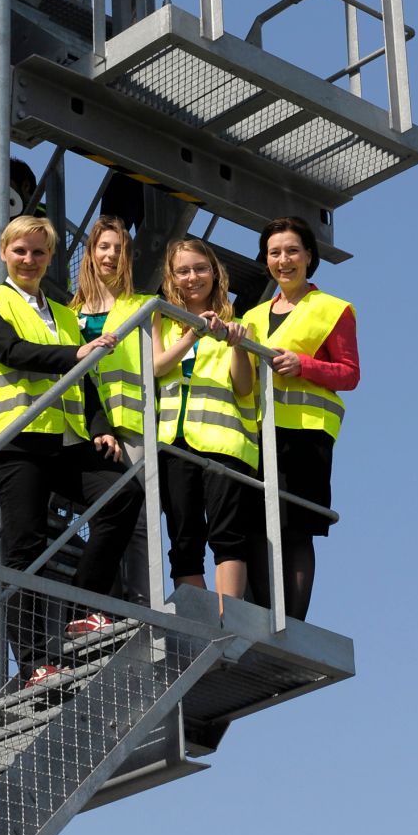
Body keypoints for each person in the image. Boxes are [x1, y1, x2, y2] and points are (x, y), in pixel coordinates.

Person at [0, 215, 143, 689]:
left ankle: (82, 608)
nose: (29, 259)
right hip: (16, 441)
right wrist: (73, 355)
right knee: (26, 548)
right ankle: (34, 663)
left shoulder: (62, 313)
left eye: (39, 252)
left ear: (50, 258)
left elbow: (86, 377)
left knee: (122, 495)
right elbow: (11, 351)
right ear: (4, 252)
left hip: (64, 439)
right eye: (20, 251)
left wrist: (101, 428)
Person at [242, 217, 360, 620]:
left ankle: (292, 624)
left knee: (296, 529)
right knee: (255, 525)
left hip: (307, 434)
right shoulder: (252, 316)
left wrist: (304, 365)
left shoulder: (332, 309)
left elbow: (350, 374)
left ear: (309, 256)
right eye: (275, 252)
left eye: (292, 251)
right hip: (258, 433)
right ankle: (264, 615)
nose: (284, 260)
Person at [153, 237, 259, 604]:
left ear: (215, 272)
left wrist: (237, 346)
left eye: (200, 269)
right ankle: (196, 619)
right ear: (171, 277)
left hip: (223, 443)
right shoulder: (161, 319)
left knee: (226, 535)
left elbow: (244, 388)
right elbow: (157, 367)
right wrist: (192, 333)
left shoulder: (240, 326)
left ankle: (226, 618)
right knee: (184, 539)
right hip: (173, 442)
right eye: (183, 271)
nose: (192, 277)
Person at [70, 216, 153, 603]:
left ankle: (140, 603)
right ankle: (106, 602)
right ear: (90, 253)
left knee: (136, 520)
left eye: (119, 249)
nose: (111, 255)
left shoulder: (143, 307)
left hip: (130, 422)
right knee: (104, 517)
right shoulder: (68, 313)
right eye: (104, 247)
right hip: (82, 424)